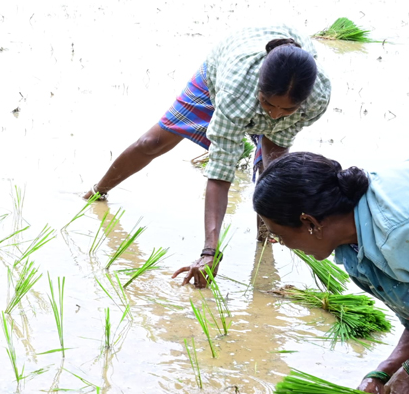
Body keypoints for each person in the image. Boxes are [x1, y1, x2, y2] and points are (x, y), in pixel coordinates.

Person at [84, 26, 330, 287]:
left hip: (273, 85)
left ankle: (267, 232)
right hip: (219, 79)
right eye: (268, 104)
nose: (275, 114)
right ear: (259, 88)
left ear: (302, 103)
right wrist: (209, 252)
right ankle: (99, 190)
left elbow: (276, 147)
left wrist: (286, 220)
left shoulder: (317, 99)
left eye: (287, 109)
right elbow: (220, 173)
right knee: (153, 142)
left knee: (274, 171)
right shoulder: (235, 91)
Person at [255, 141, 409, 394]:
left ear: (310, 222)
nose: (281, 243)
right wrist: (382, 374)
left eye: (279, 233)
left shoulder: (407, 231)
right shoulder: (354, 250)